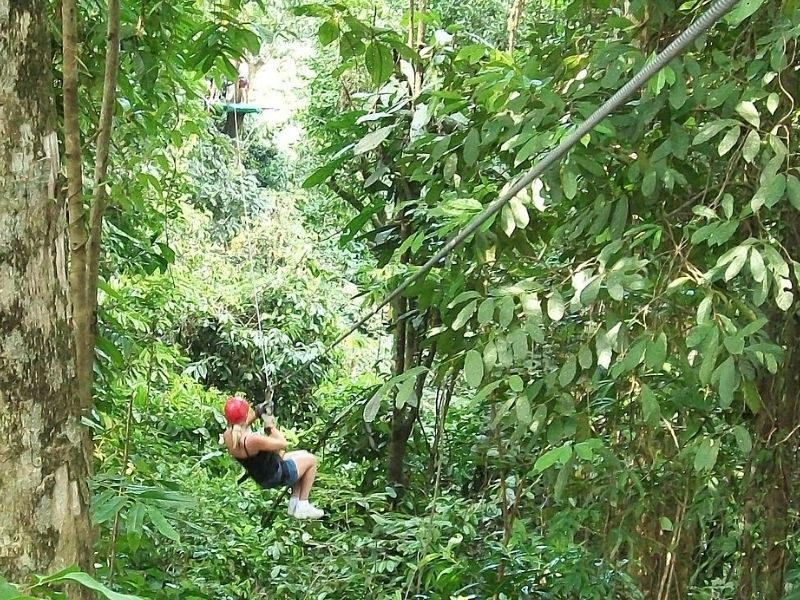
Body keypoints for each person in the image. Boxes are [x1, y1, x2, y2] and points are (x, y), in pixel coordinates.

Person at [222, 396, 324, 520]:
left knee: (302, 454)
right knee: (311, 460)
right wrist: (269, 422)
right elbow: (282, 443)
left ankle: (294, 503)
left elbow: (242, 425)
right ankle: (303, 504)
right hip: (276, 474)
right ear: (245, 415)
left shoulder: (229, 436)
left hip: (263, 475)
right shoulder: (252, 440)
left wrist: (258, 413)